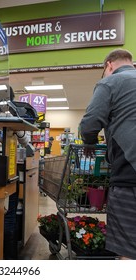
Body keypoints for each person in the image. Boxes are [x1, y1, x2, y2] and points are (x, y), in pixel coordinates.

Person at [79, 48, 136, 260]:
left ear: (109, 65)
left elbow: (89, 124)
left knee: (128, 252)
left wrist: (90, 144)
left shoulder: (109, 82)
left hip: (130, 175)